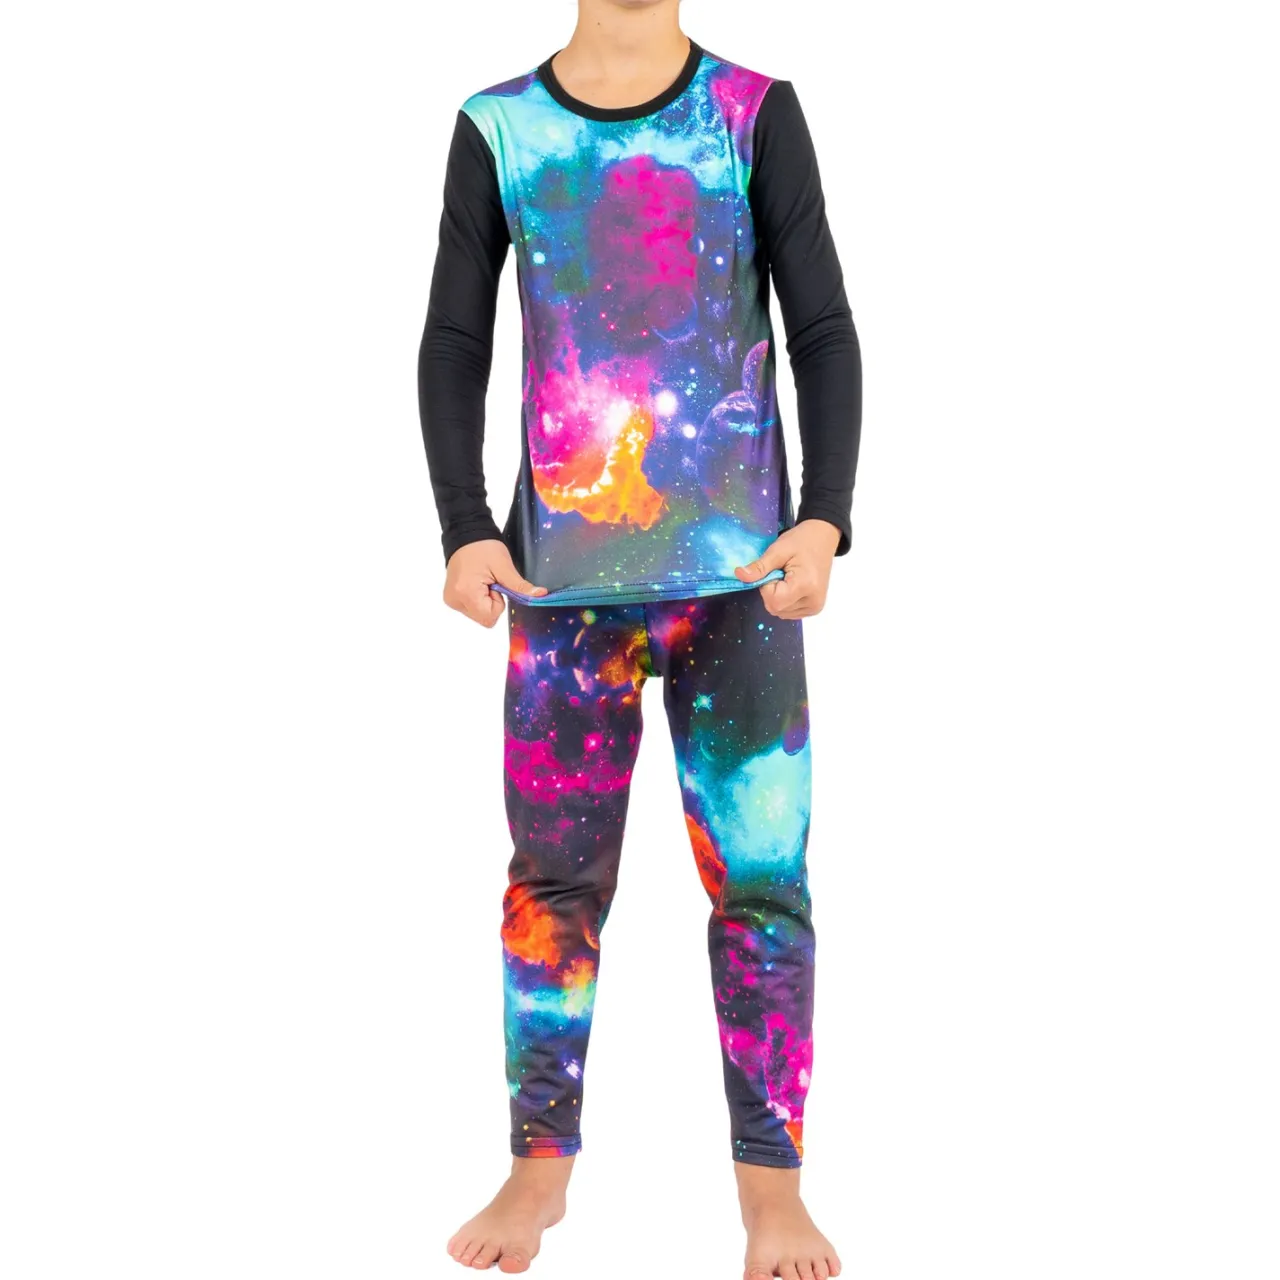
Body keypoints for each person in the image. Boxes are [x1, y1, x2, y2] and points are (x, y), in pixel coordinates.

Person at [418, 1, 860, 1274]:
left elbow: (821, 326)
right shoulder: (499, 129)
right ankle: (536, 1170)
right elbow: (455, 336)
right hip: (562, 589)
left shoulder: (751, 114)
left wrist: (824, 513)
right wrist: (463, 524)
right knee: (551, 887)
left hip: (741, 584)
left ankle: (771, 1189)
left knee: (762, 884)